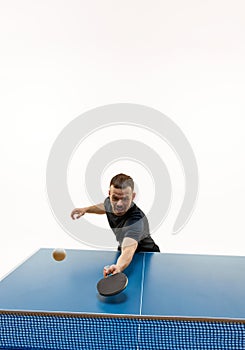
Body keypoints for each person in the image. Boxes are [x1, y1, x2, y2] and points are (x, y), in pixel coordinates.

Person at [71, 173, 160, 277]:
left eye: (125, 199)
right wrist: (85, 209)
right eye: (115, 198)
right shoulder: (109, 202)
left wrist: (119, 266)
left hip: (145, 254)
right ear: (109, 194)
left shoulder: (136, 220)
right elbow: (104, 207)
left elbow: (129, 248)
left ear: (133, 197)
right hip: (123, 253)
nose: (119, 204)